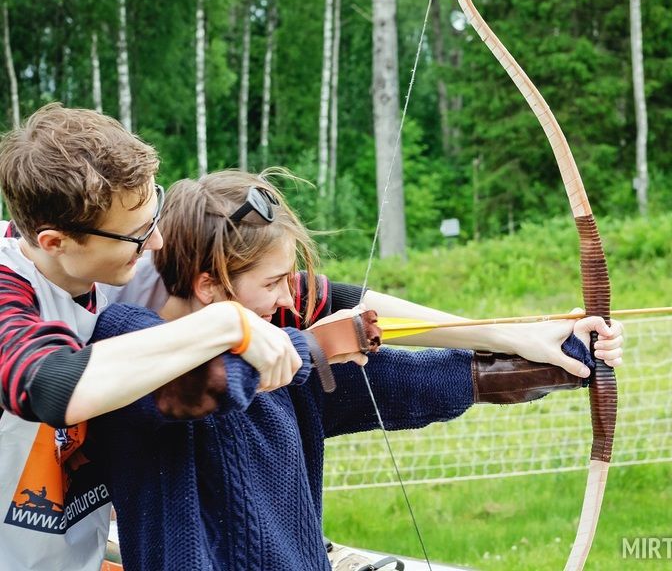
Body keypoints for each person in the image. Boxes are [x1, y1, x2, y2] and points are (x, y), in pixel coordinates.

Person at [88, 170, 623, 570]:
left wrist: (558, 359)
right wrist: (312, 344)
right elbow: (198, 389)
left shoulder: (279, 345)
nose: (287, 296)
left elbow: (403, 382)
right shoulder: (127, 339)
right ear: (210, 286)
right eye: (273, 284)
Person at [0, 105, 347, 571]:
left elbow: (307, 294)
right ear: (54, 242)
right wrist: (226, 324)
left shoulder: (117, 263)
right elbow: (51, 385)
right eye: (138, 234)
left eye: (154, 214)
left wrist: (476, 333)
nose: (158, 242)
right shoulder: (10, 291)